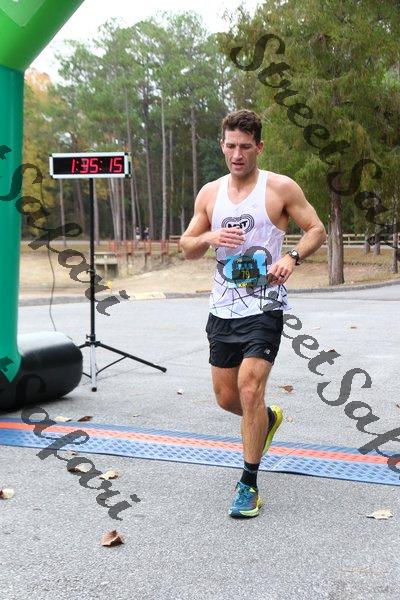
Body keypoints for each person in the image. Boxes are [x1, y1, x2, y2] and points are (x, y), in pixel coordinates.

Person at [180, 109, 326, 518]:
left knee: (249, 388)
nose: (237, 154)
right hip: (222, 307)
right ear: (222, 146)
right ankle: (267, 418)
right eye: (231, 146)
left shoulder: (280, 187)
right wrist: (210, 235)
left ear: (259, 147)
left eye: (245, 146)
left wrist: (292, 257)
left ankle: (248, 483)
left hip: (265, 305)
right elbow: (186, 246)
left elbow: (316, 229)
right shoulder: (210, 194)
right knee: (227, 398)